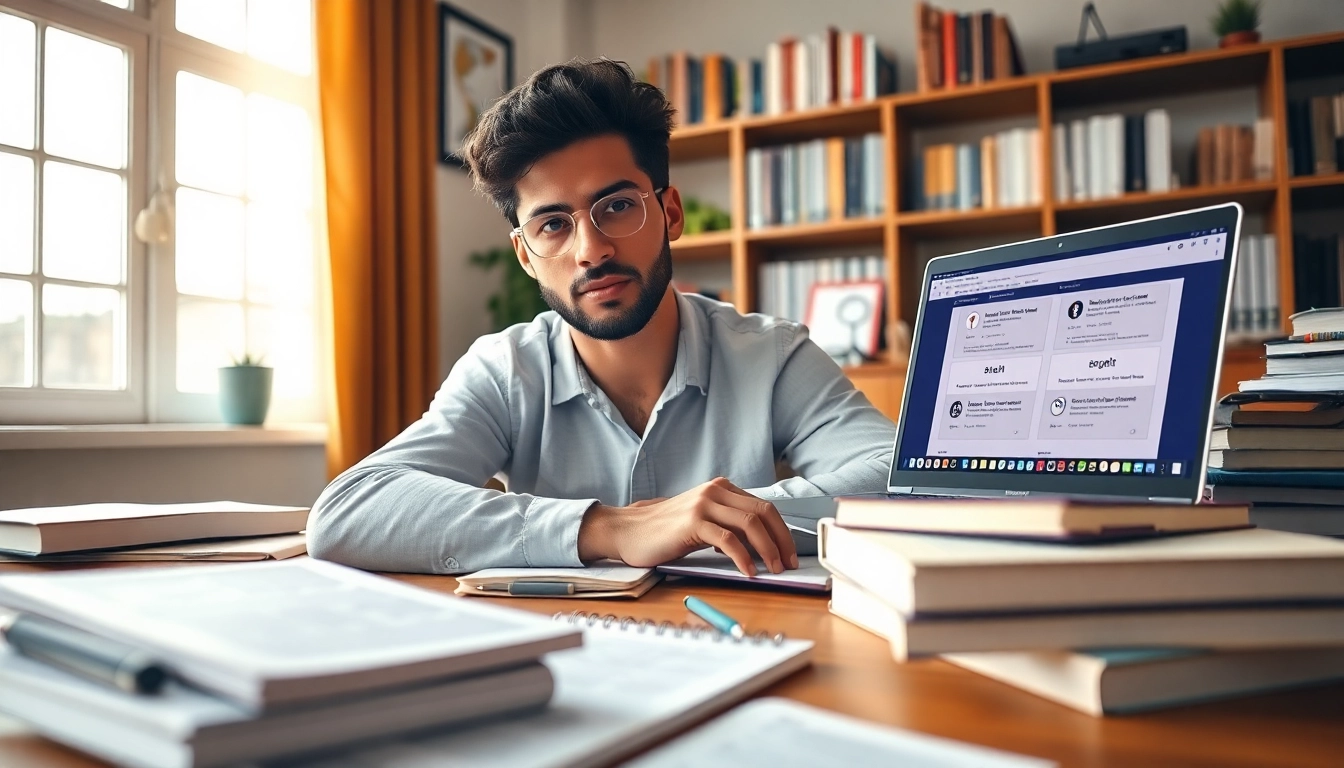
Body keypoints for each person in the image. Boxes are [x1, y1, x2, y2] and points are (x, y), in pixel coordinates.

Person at [307, 59, 896, 577]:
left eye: (616, 206)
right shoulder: (505, 370)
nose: (590, 249)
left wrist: (713, 521)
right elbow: (348, 511)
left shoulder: (771, 356)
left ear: (669, 213)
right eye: (553, 224)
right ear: (526, 256)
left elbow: (909, 478)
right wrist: (610, 529)